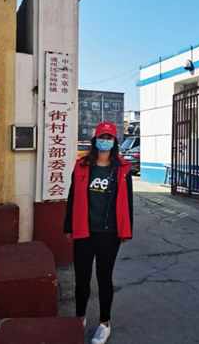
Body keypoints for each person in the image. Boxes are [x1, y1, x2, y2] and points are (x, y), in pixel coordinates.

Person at [64, 121, 134, 344]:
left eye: (109, 138)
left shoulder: (122, 169)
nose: (105, 141)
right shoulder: (82, 165)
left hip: (108, 233)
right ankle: (79, 319)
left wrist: (126, 230)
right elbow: (72, 197)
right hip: (84, 231)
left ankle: (104, 323)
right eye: (102, 137)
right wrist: (68, 227)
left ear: (114, 142)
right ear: (95, 140)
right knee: (81, 278)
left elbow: (128, 201)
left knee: (104, 278)